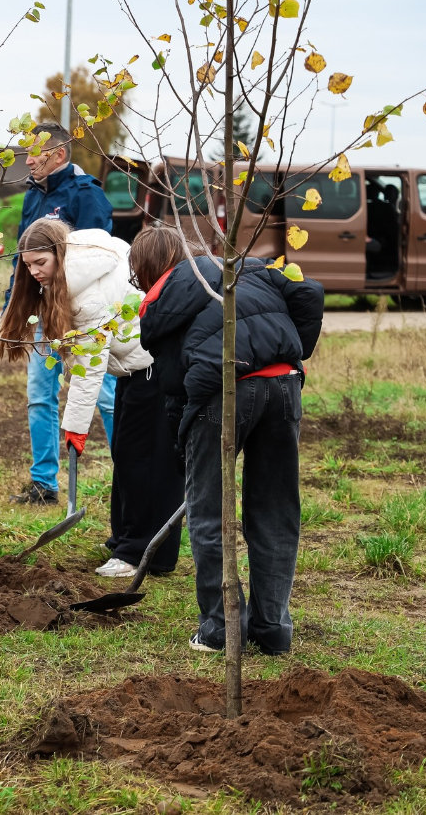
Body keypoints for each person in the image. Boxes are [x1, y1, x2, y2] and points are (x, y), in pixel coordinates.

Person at [134, 224, 324, 655]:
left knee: (209, 511)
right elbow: (309, 293)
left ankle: (219, 629)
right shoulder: (246, 268)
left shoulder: (161, 300)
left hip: (224, 391)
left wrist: (185, 447)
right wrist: (290, 349)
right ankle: (273, 629)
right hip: (284, 382)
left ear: (147, 269)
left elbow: (173, 387)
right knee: (276, 507)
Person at [0, 218, 182, 578]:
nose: (34, 272)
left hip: (153, 371)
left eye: (41, 263)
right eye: (28, 264)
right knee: (129, 457)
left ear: (58, 252)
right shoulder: (81, 257)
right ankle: (126, 539)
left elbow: (89, 368)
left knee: (149, 465)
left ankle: (141, 554)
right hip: (135, 370)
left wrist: (75, 427)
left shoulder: (85, 294)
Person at [10, 123, 117, 505]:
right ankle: (44, 483)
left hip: (80, 317)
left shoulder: (86, 196)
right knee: (40, 395)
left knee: (103, 394)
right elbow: (24, 262)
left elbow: (97, 256)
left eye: (33, 152)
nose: (27, 159)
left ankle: (129, 471)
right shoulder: (32, 197)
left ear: (58, 154)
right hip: (42, 314)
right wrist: (17, 307)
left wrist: (72, 311)